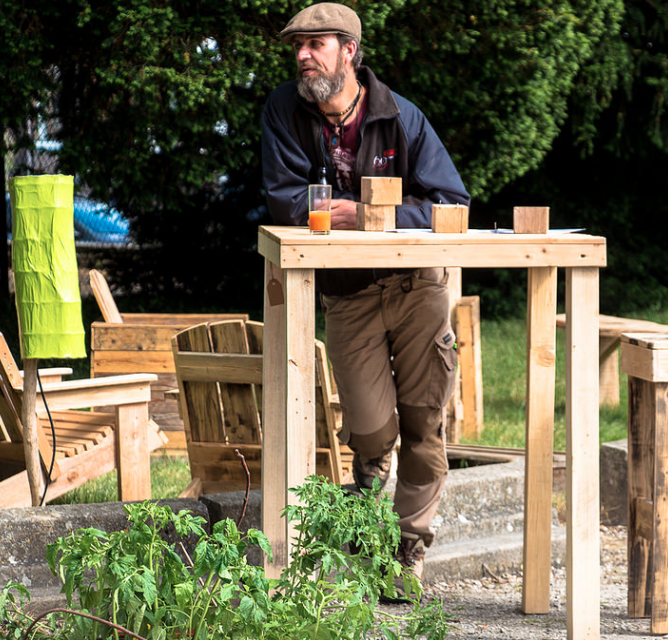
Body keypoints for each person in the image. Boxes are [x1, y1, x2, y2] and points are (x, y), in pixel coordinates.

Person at [261, 2, 471, 599]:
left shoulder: (401, 116)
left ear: (349, 50)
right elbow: (284, 201)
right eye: (297, 47)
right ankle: (370, 532)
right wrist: (343, 216)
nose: (303, 56)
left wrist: (369, 214)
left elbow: (451, 203)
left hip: (417, 286)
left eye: (316, 44)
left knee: (424, 422)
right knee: (373, 433)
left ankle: (406, 553)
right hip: (348, 294)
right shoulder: (284, 110)